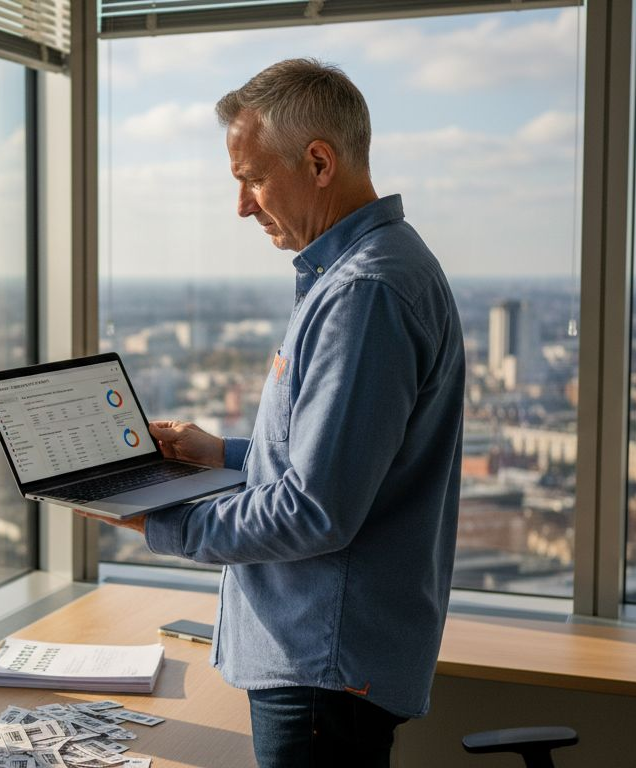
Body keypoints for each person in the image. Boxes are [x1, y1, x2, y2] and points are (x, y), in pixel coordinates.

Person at [81, 58, 466, 767]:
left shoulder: (365, 293)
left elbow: (315, 511)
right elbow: (336, 462)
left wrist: (160, 520)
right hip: (325, 659)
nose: (243, 206)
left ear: (319, 162)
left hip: (322, 664)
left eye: (251, 179)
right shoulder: (372, 271)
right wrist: (218, 454)